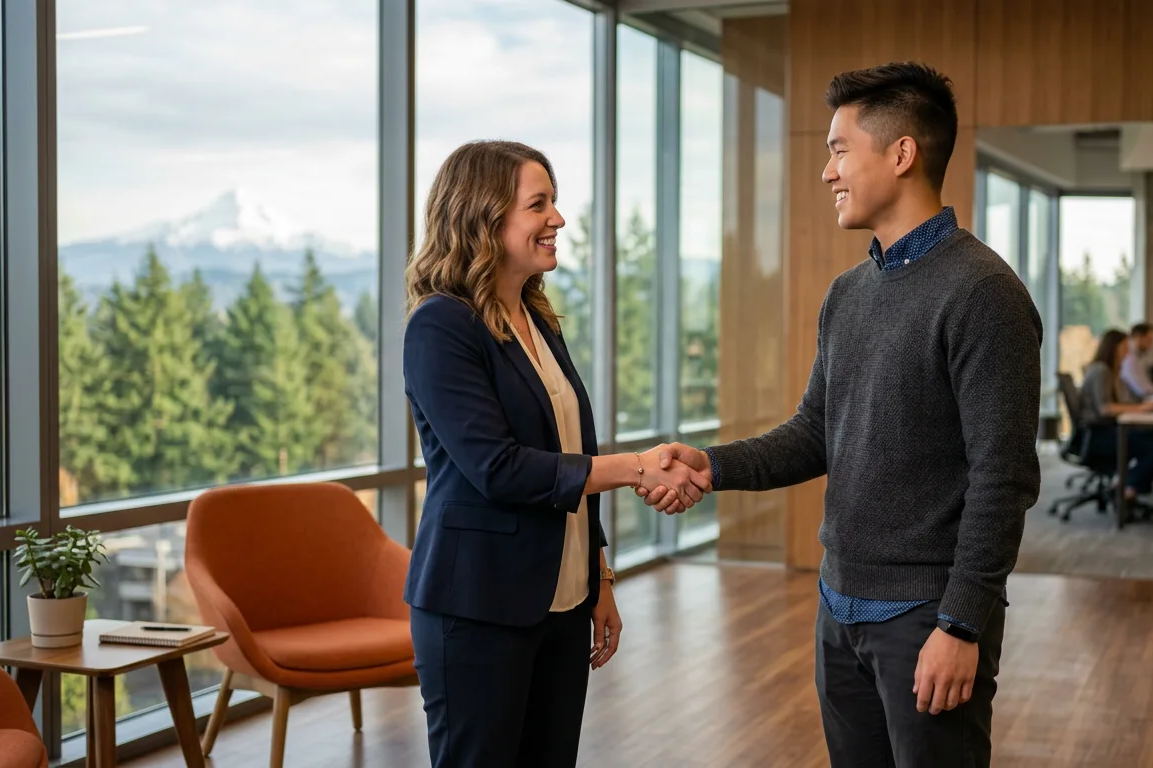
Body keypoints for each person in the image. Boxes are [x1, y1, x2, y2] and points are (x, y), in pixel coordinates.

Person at [641, 62, 1041, 768]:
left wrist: (961, 623)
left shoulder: (985, 294)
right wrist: (714, 465)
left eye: (838, 149)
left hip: (927, 617)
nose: (827, 172)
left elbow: (1002, 477)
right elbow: (813, 433)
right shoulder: (848, 293)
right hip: (840, 606)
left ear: (901, 153)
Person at [401, 140, 711, 767]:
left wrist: (599, 579)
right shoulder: (440, 325)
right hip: (479, 606)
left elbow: (570, 452)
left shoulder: (538, 319)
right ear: (484, 217)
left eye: (555, 203)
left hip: (563, 603)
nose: (558, 221)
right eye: (538, 205)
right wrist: (637, 468)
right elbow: (499, 468)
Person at [1079, 329, 1153, 505]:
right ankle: (1126, 488)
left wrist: (1139, 407)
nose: (1127, 352)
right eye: (1124, 347)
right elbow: (1105, 409)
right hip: (1099, 437)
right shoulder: (1102, 371)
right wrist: (1141, 408)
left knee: (1152, 437)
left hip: (1103, 432)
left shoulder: (1107, 371)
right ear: (1113, 348)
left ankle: (1126, 486)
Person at [1120, 322, 1153, 402]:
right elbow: (1142, 390)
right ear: (1138, 337)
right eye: (1149, 340)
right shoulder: (1129, 359)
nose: (1151, 344)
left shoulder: (1138, 358)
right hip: (1132, 406)